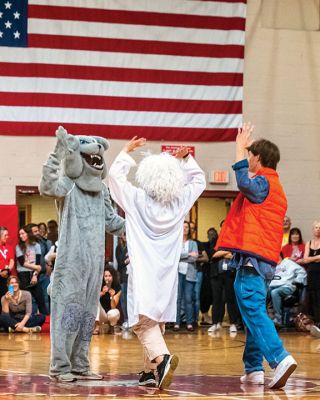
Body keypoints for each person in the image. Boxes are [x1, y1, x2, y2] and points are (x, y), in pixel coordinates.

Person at [108, 136, 206, 389]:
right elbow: (199, 181)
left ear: (147, 176)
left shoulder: (137, 199)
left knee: (142, 321)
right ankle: (150, 371)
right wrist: (185, 160)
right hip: (167, 271)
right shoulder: (179, 202)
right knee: (156, 319)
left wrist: (125, 153)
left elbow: (115, 180)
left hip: (144, 268)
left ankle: (162, 360)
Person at [39, 126, 125, 383]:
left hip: (94, 266)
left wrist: (142, 227)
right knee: (66, 315)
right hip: (70, 264)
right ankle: (59, 366)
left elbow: (113, 222)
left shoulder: (102, 191)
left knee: (87, 316)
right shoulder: (69, 185)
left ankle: (79, 364)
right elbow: (47, 186)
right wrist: (57, 153)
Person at [216, 122, 297, 389]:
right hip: (265, 261)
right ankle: (253, 369)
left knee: (253, 311)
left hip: (253, 262)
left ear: (257, 158)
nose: (247, 158)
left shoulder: (263, 183)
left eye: (250, 154)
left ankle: (280, 358)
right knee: (254, 314)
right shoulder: (277, 188)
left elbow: (242, 182)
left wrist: (238, 147)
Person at [16, 226, 47, 315]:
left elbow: (38, 262)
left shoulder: (36, 245)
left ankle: (45, 321)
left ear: (28, 233)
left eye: (23, 233)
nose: (21, 236)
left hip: (34, 274)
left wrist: (35, 275)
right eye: (19, 234)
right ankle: (27, 320)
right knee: (26, 299)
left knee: (40, 298)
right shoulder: (19, 246)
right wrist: (37, 268)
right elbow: (22, 263)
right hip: (23, 275)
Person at [174, 221, 198, 332]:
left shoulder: (193, 243)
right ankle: (177, 323)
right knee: (177, 299)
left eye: (187, 227)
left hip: (190, 274)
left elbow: (195, 258)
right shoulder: (175, 242)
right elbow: (174, 257)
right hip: (177, 274)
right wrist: (188, 254)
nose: (185, 229)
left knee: (188, 299)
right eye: (183, 227)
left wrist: (181, 256)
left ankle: (189, 323)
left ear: (189, 229)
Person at [269, 258, 307, 326]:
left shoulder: (288, 263)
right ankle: (260, 317)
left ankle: (278, 319)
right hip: (273, 286)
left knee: (274, 292)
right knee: (263, 292)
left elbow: (302, 271)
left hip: (287, 286)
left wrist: (298, 280)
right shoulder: (272, 265)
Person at [303, 221, 320, 338]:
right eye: (316, 227)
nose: (318, 229)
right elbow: (305, 260)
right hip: (311, 275)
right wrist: (317, 258)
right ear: (313, 229)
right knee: (313, 299)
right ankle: (316, 323)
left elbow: (308, 258)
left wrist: (310, 258)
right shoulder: (308, 243)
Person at [93, 266, 121, 335]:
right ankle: (97, 326)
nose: (107, 278)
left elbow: (113, 307)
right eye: (105, 276)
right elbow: (93, 300)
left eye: (109, 276)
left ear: (113, 276)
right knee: (95, 302)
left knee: (115, 312)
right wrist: (102, 293)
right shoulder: (99, 285)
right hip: (101, 314)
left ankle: (111, 326)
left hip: (109, 314)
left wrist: (112, 296)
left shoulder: (117, 287)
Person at [115, 234, 129, 329]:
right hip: (123, 276)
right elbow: (120, 263)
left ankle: (131, 320)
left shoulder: (132, 245)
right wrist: (126, 260)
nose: (125, 236)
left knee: (130, 299)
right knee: (124, 299)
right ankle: (126, 320)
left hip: (131, 276)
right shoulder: (119, 247)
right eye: (124, 234)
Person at [0, 227, 15, 310]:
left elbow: (12, 261)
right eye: (5, 235)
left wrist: (8, 270)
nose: (7, 237)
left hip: (8, 276)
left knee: (10, 295)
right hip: (0, 276)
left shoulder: (9, 247)